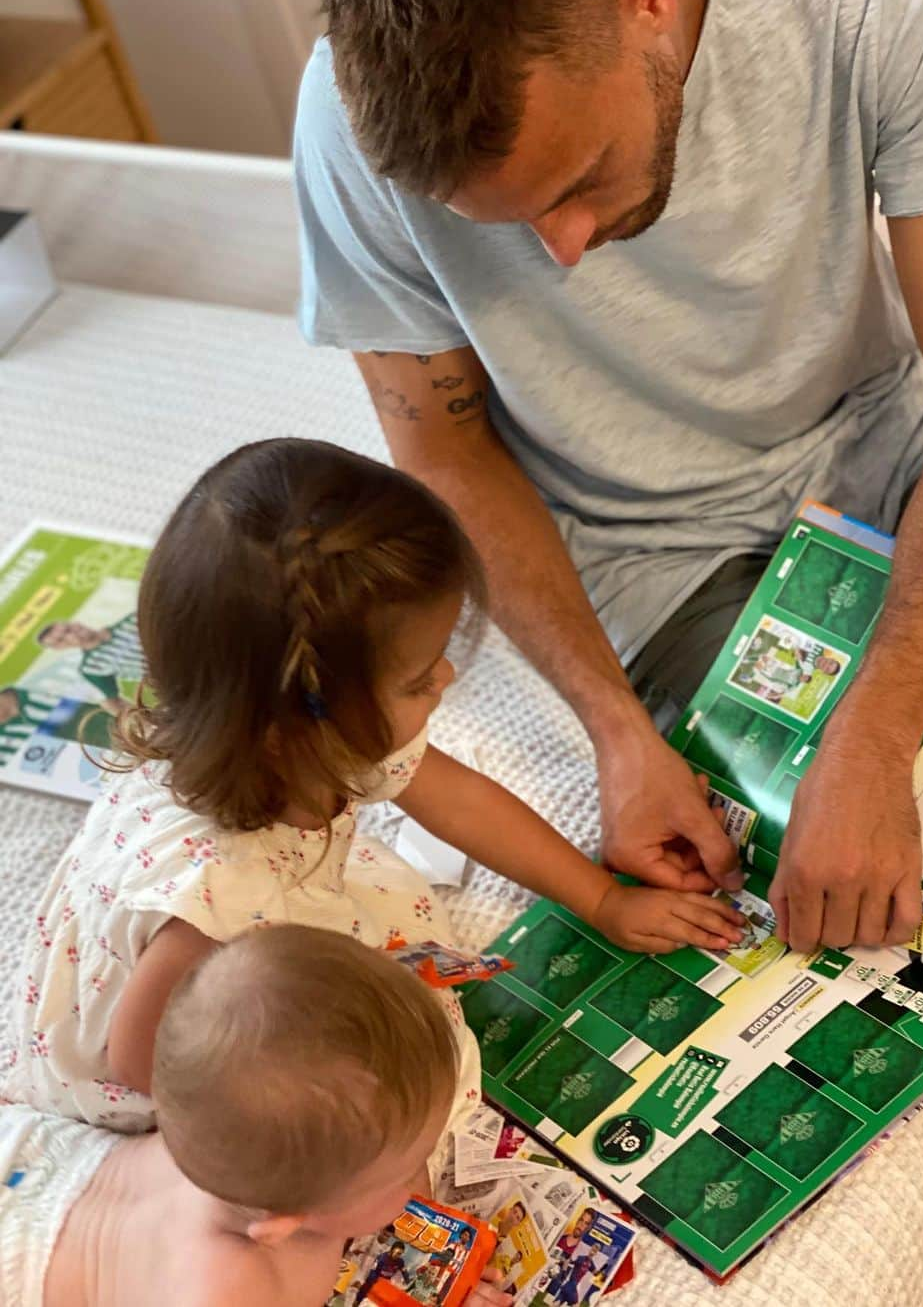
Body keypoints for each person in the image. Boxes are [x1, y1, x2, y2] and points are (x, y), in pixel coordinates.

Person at [295, 0, 923, 1024]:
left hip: (899, 452)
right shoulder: (345, 121)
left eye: (575, 181)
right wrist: (618, 731)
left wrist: (876, 732)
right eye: (499, 225)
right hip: (659, 562)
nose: (562, 253)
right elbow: (445, 453)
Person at [3, 437, 743, 1129]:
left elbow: (460, 799)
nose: (447, 678)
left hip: (236, 933)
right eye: (421, 678)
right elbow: (142, 1060)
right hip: (154, 1067)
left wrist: (602, 898)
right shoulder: (216, 901)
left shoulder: (303, 739)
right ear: (296, 722)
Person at [0, 925, 513, 1307]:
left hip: (32, 1154)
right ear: (283, 1227)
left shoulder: (222, 1127)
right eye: (401, 1177)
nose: (419, 1183)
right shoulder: (228, 1288)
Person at [36, 613, 145, 715]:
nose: (71, 634)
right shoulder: (91, 667)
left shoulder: (132, 620)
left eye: (67, 629)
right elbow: (112, 703)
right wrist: (145, 717)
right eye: (61, 639)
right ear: (59, 648)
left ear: (76, 623)